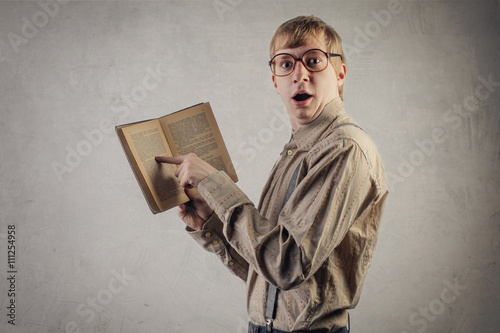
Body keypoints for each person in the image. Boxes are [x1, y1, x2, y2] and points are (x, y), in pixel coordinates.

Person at [156, 15, 388, 333]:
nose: (300, 74)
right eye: (285, 64)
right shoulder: (298, 149)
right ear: (274, 79)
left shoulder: (344, 149)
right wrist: (212, 224)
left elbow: (287, 266)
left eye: (314, 60)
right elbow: (269, 272)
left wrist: (213, 183)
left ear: (340, 74)